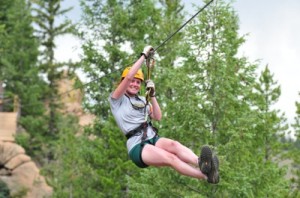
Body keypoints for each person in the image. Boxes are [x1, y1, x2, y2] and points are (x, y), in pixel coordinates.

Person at [109, 46, 219, 184]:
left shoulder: (142, 100)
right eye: (132, 81)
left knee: (175, 145)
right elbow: (129, 75)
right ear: (124, 82)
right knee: (171, 158)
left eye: (138, 82)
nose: (135, 84)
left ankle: (202, 163)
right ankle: (206, 177)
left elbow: (157, 116)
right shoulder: (117, 100)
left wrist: (152, 95)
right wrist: (143, 55)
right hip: (137, 146)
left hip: (152, 137)